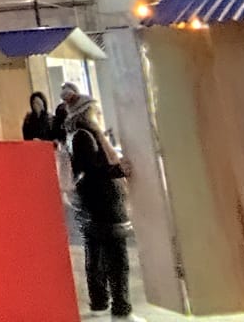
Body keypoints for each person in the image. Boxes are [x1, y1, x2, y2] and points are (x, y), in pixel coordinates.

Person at [66, 93, 134, 320]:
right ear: (87, 112)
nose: (99, 113)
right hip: (103, 204)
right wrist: (118, 170)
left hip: (95, 205)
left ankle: (101, 302)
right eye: (96, 109)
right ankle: (121, 309)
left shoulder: (81, 135)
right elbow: (93, 170)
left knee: (97, 256)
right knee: (117, 260)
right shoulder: (85, 136)